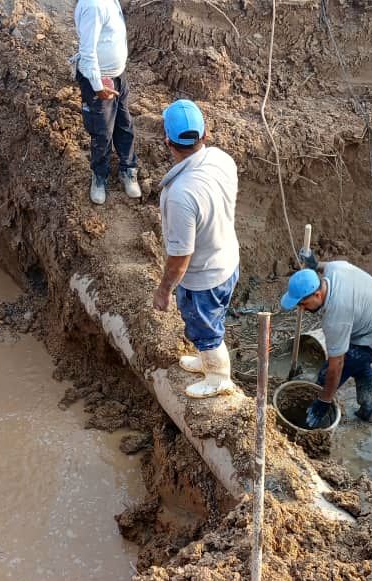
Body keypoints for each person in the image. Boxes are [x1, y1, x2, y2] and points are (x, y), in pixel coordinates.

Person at [152, 99, 240, 400]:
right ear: (205, 135)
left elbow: (180, 258)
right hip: (227, 260)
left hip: (204, 277)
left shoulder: (181, 195)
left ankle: (218, 377)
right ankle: (207, 361)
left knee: (205, 328)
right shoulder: (221, 159)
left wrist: (164, 290)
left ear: (167, 140)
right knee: (210, 321)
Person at [279, 262, 372, 427]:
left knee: (327, 376)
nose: (301, 310)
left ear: (317, 295)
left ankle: (358, 414)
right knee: (357, 362)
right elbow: (322, 266)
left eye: (303, 304)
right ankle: (368, 410)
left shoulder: (335, 318)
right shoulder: (334, 268)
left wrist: (324, 400)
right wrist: (314, 263)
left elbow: (336, 366)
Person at [72, 0, 141, 205]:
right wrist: (97, 85)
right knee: (102, 131)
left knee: (124, 124)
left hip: (117, 77)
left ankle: (128, 169)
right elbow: (87, 50)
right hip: (100, 82)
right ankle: (100, 176)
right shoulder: (94, 6)